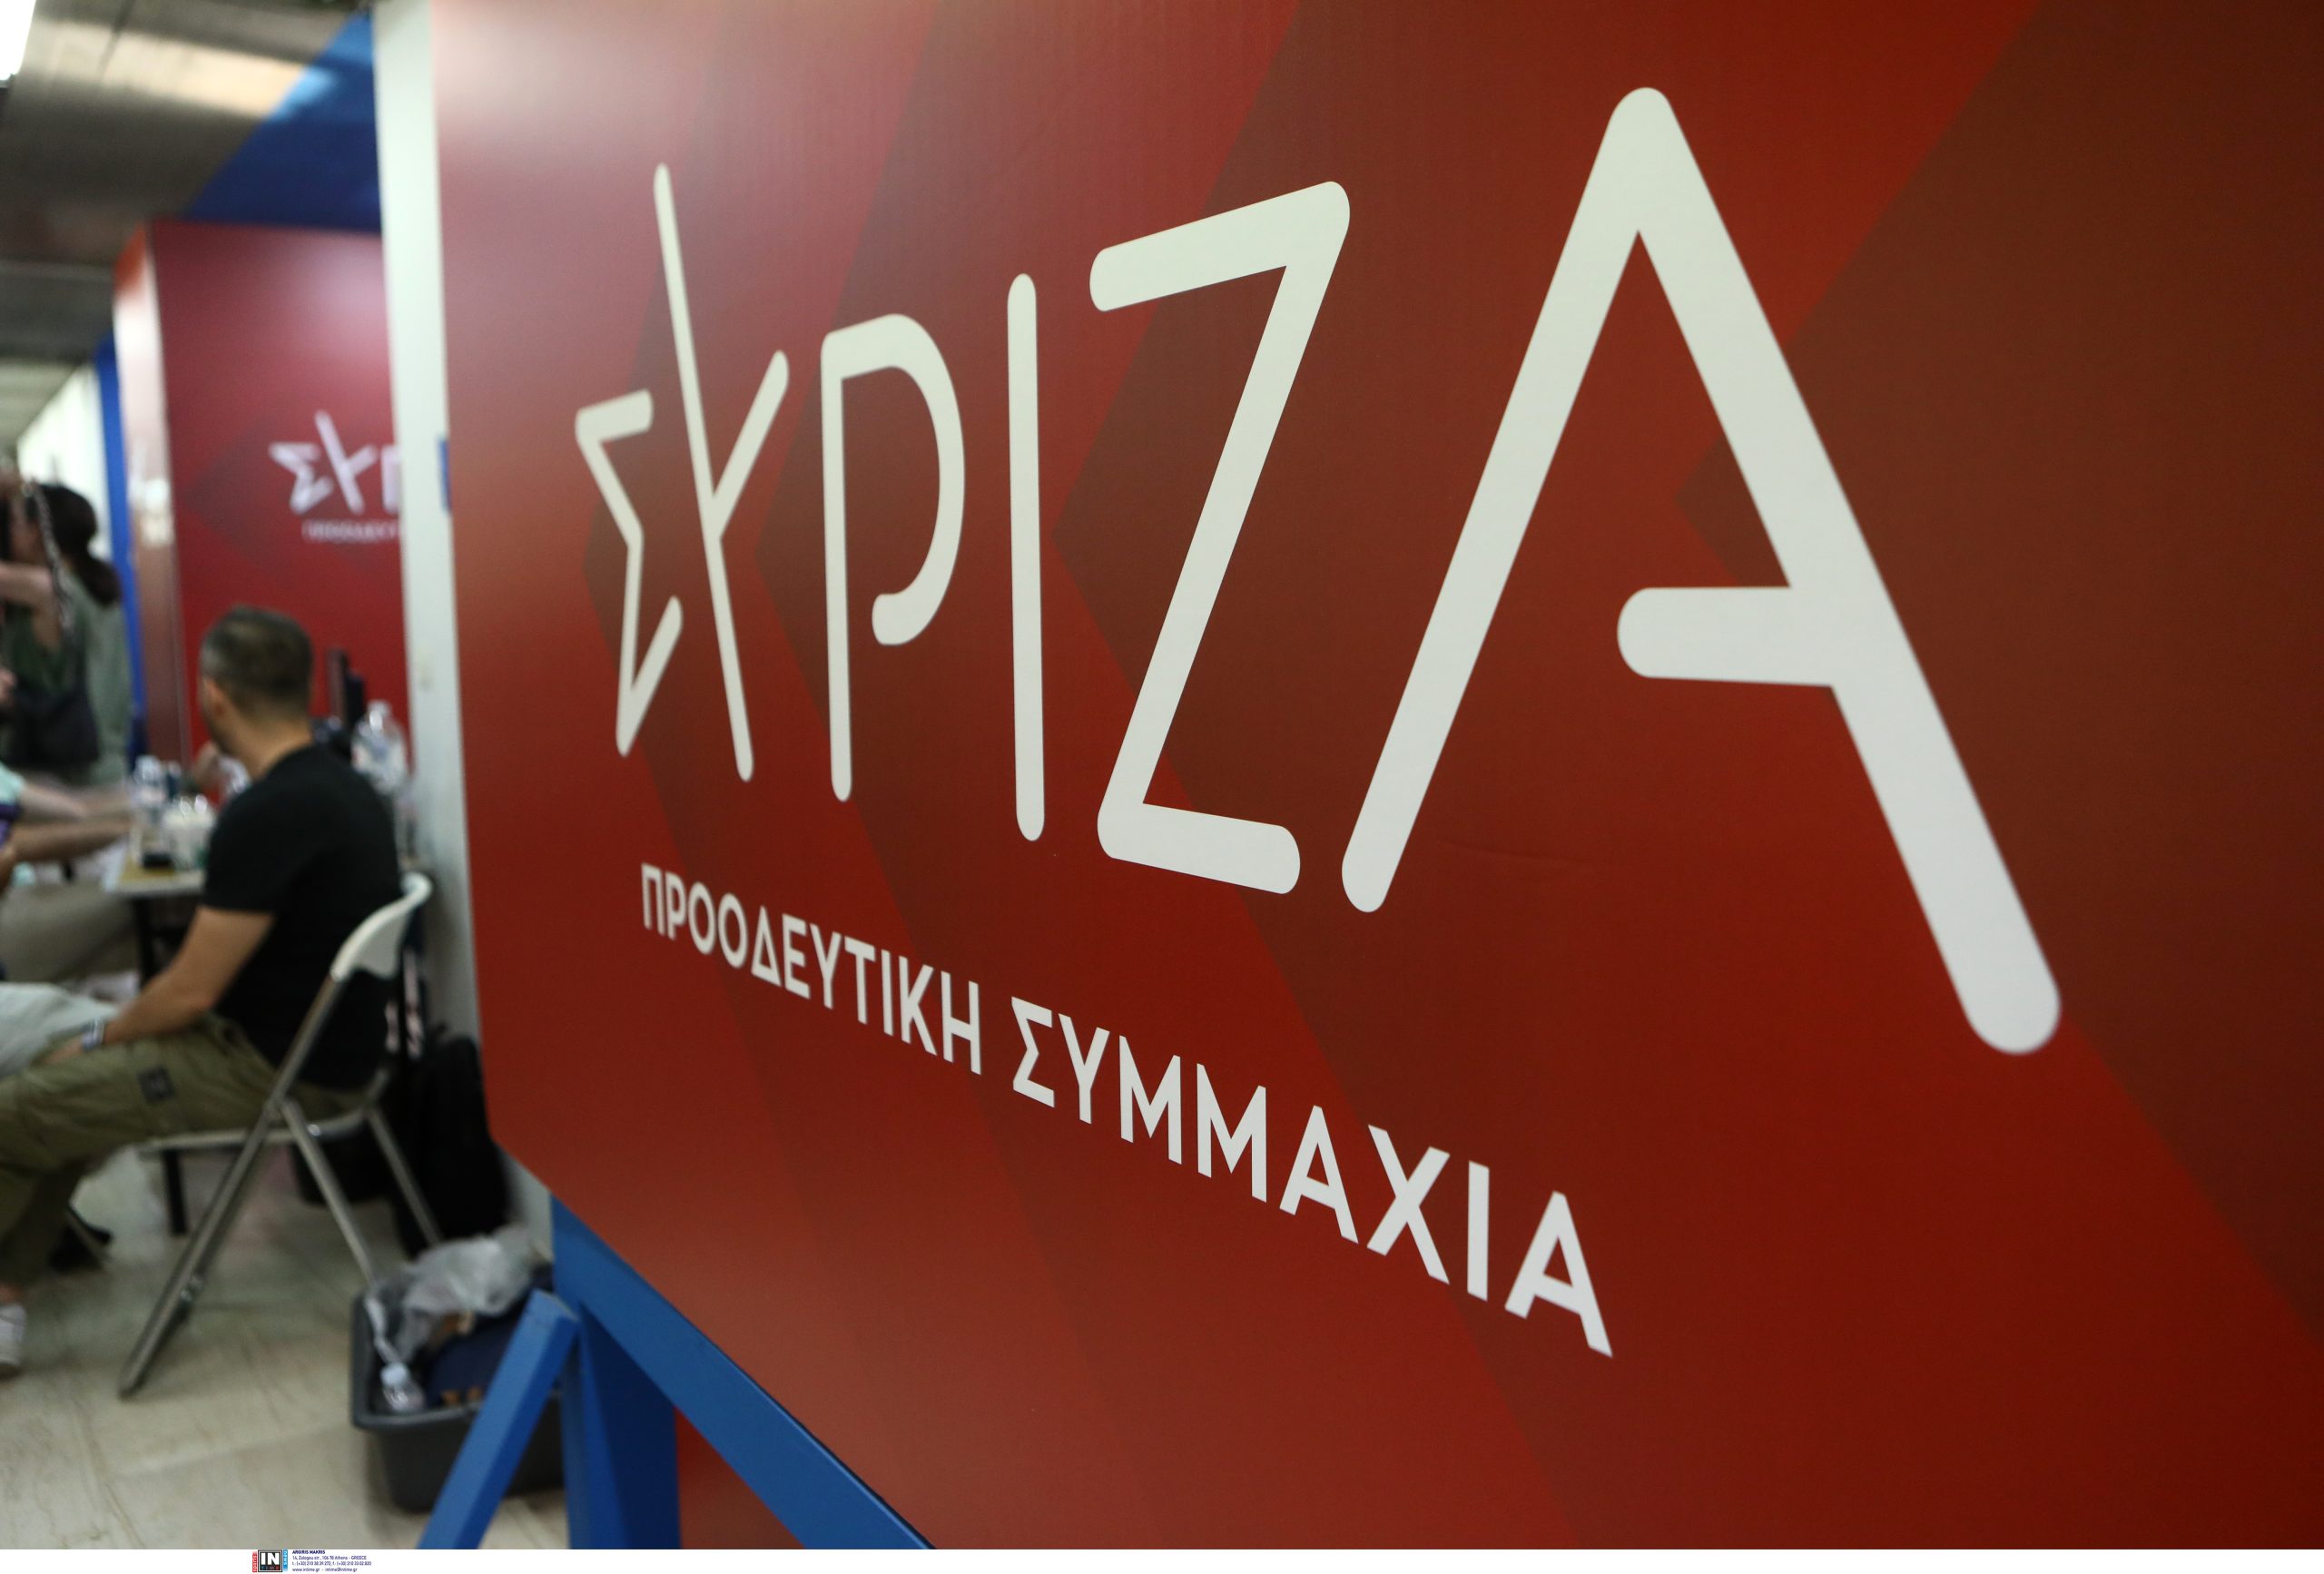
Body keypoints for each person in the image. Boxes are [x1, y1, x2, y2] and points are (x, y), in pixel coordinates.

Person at [0, 606, 401, 1377]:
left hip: (265, 1069)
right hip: (330, 1057)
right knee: (61, 1100)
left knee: (18, 1107)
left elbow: (187, 993)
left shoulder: (267, 813)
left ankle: (5, 1297)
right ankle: (7, 1295)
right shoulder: (350, 790)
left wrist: (96, 1040)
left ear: (214, 696)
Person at [0, 475, 134, 794]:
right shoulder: (96, 588)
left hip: (62, 778)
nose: (9, 532)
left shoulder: (49, 589)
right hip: (106, 765)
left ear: (36, 532)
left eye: (16, 523)